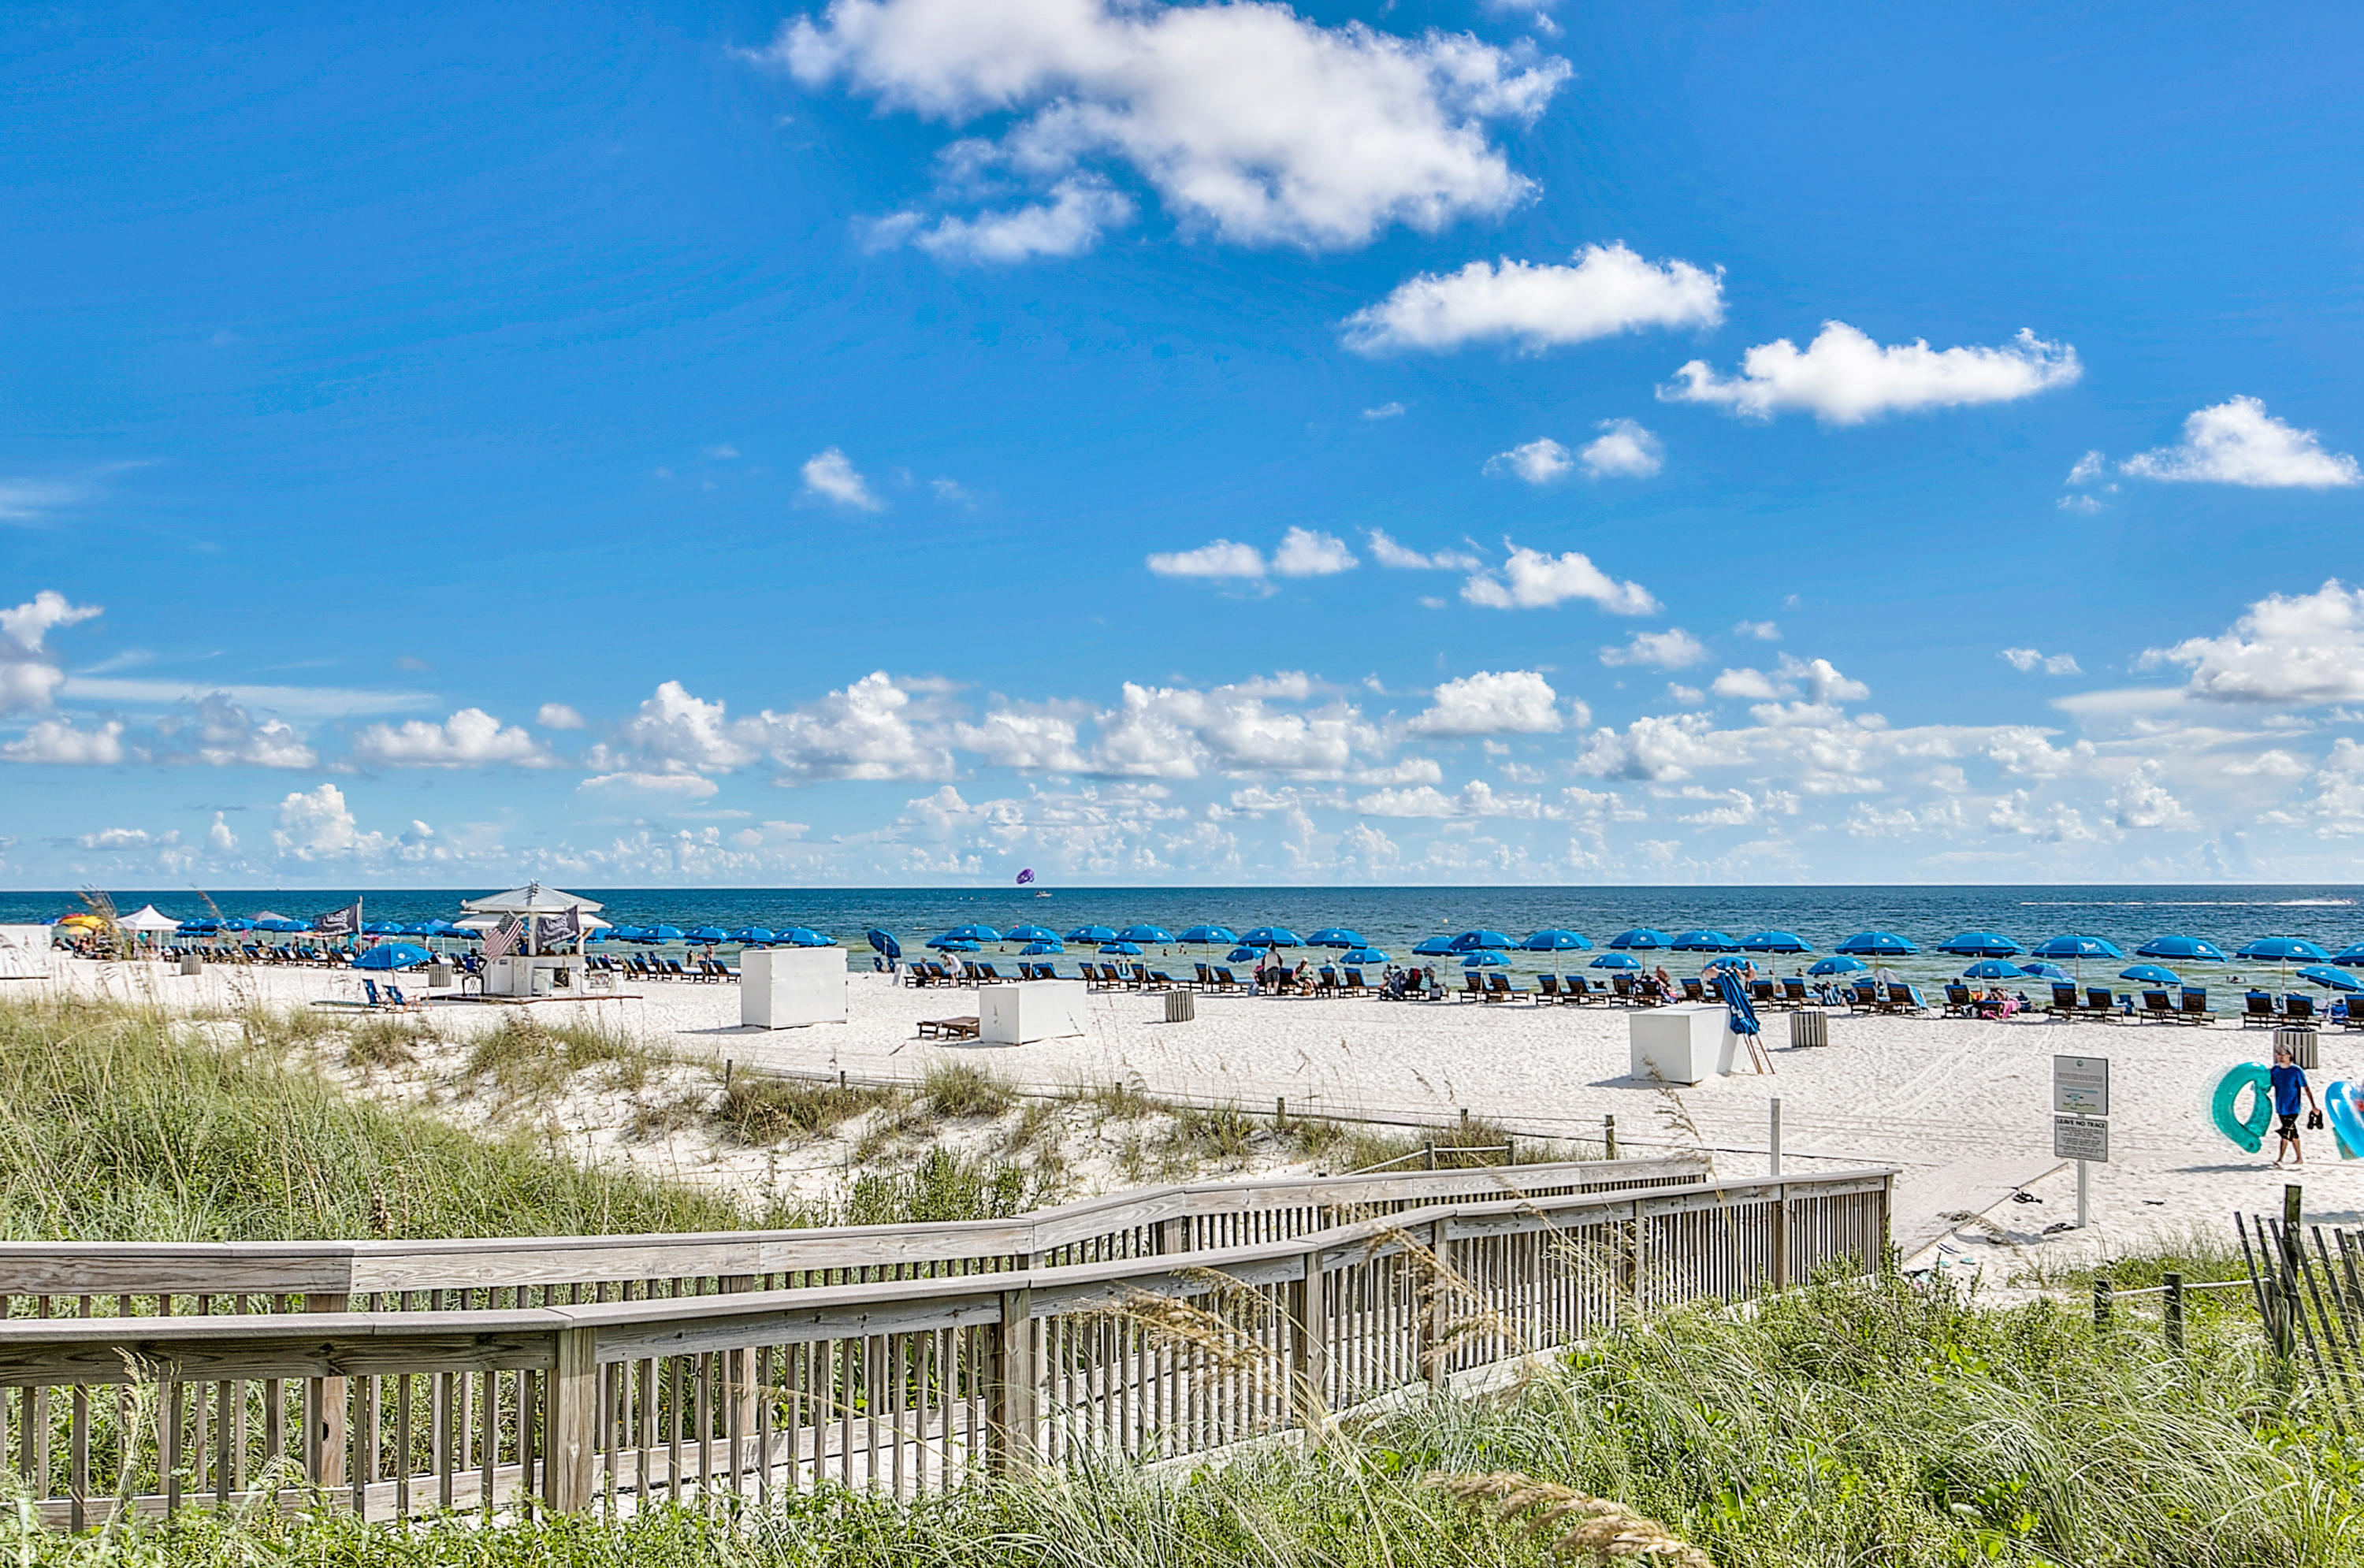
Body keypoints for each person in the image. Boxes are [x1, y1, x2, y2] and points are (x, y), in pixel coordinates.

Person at [2272, 1042, 2320, 1168]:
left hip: (2293, 1107)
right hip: (2280, 1106)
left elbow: (2306, 1088)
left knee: (2286, 1131)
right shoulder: (2275, 1070)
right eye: (2278, 1055)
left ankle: (2280, 1159)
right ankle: (2299, 1158)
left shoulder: (2296, 1071)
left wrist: (2313, 1106)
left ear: (2290, 1056)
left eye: (2283, 1055)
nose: (2281, 1057)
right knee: (2293, 1133)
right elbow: (2266, 1084)